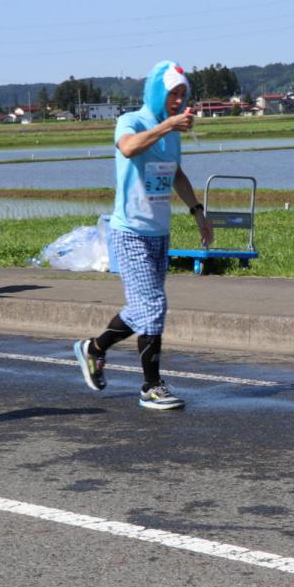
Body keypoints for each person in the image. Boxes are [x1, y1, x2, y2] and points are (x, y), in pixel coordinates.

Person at [72, 61, 213, 410]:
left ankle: (93, 348)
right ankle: (151, 386)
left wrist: (198, 212)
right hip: (129, 231)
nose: (178, 101)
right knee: (153, 306)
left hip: (158, 232)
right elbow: (129, 148)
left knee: (145, 307)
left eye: (182, 95)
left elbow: (175, 173)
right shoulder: (131, 121)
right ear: (156, 93)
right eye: (172, 94)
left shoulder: (173, 132)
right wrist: (167, 125)